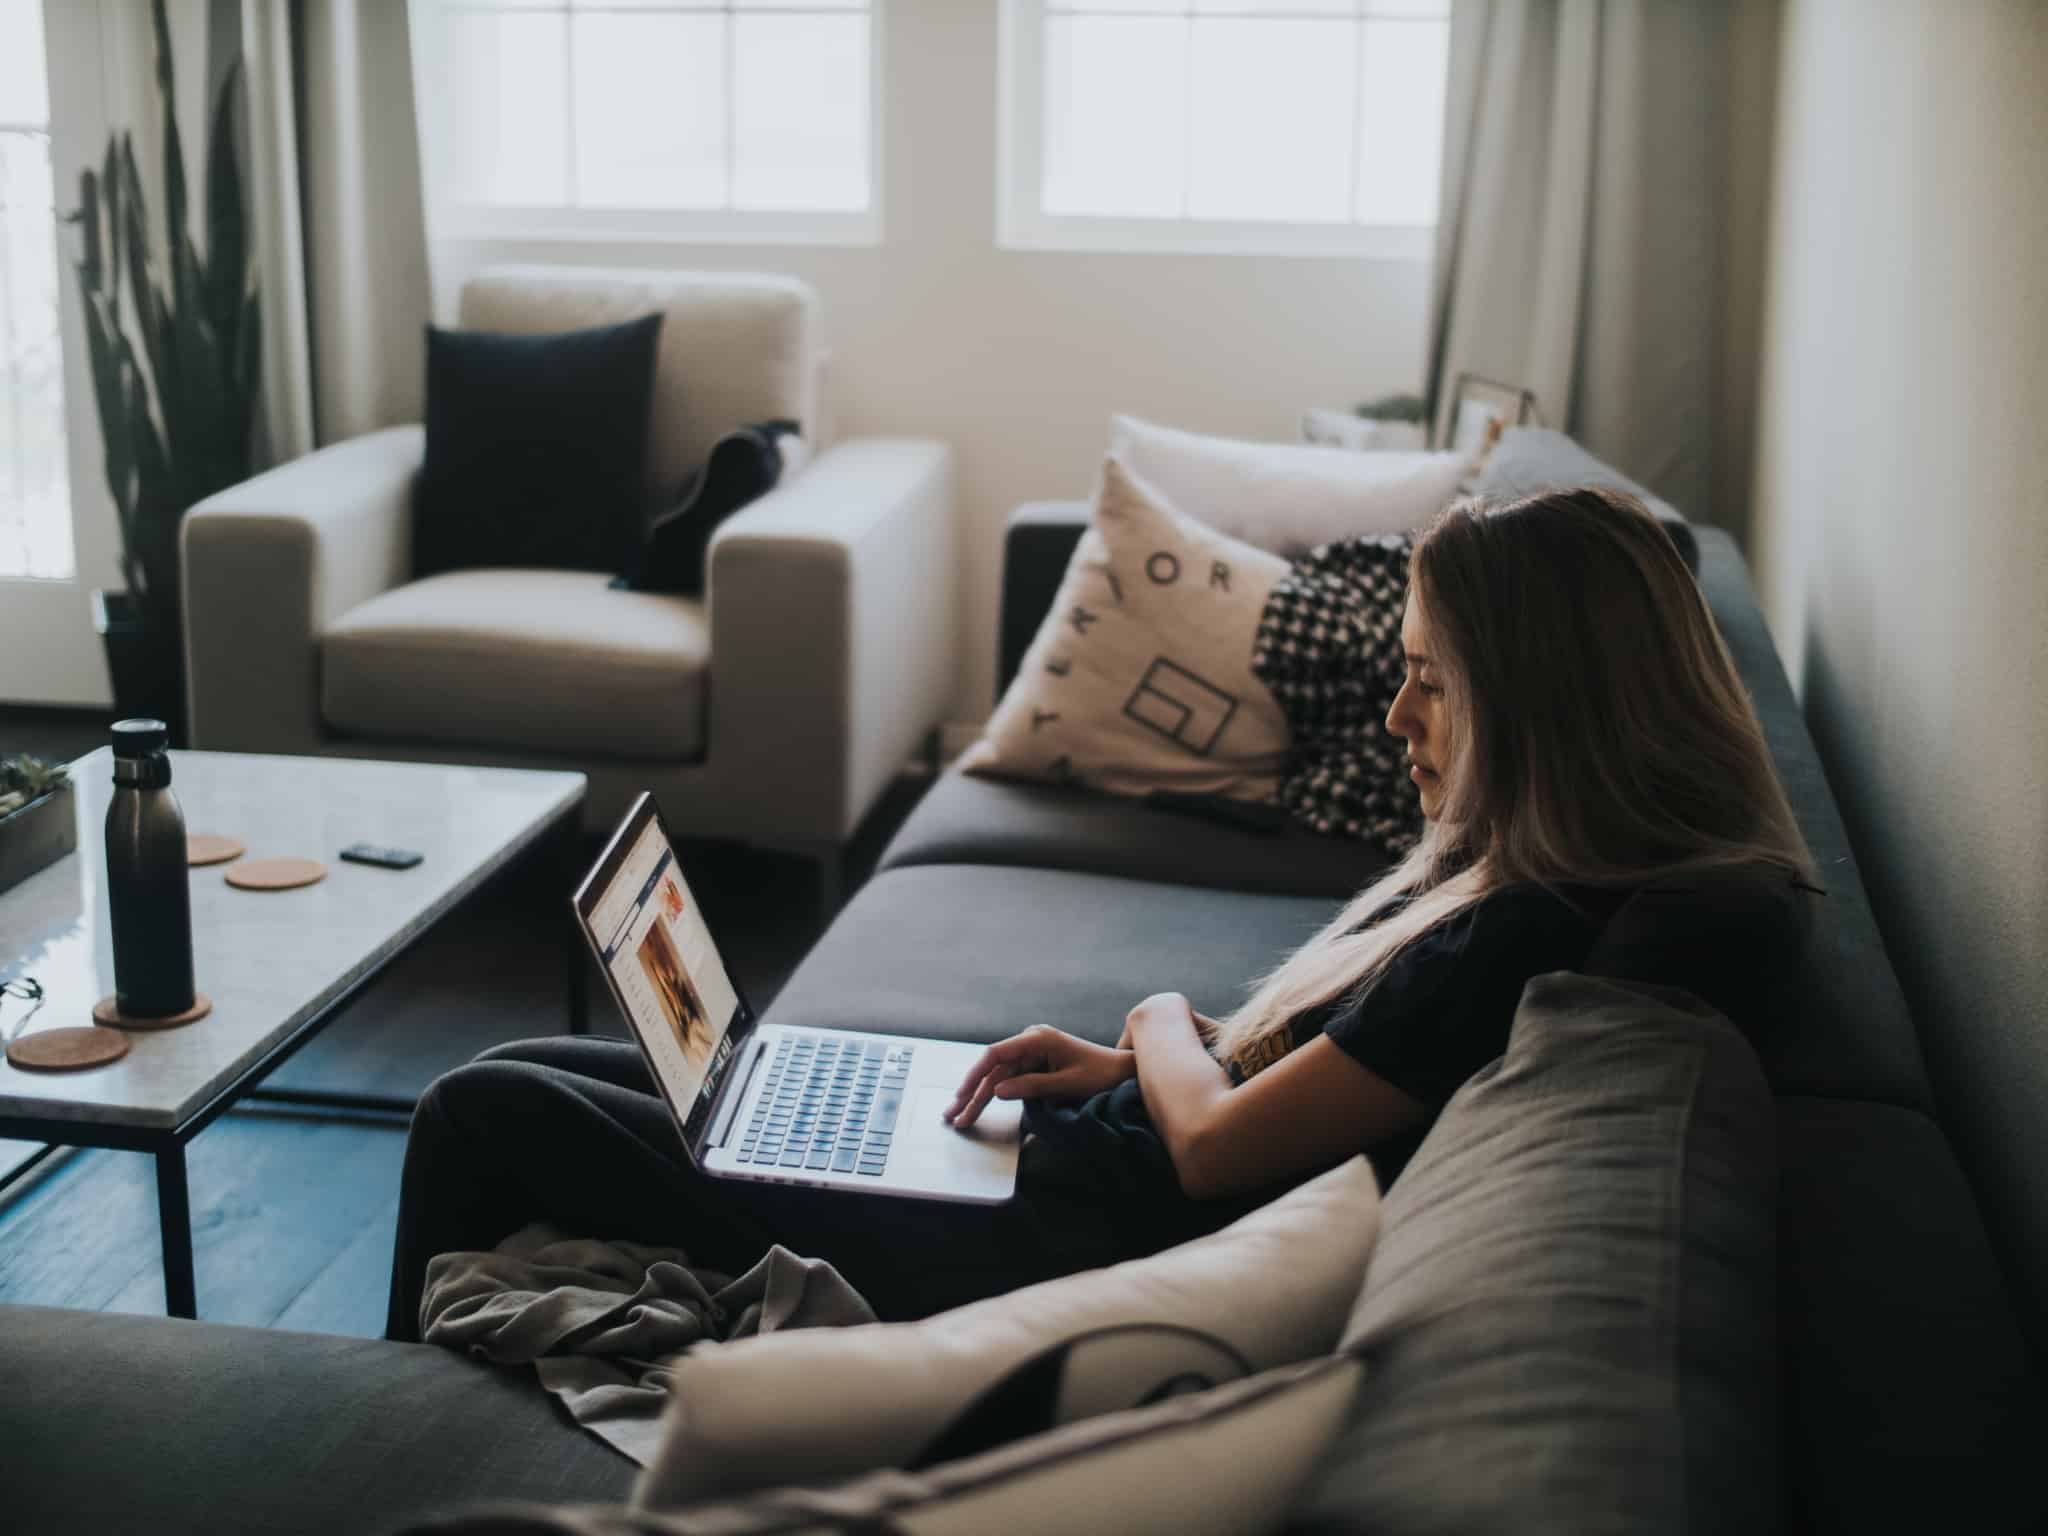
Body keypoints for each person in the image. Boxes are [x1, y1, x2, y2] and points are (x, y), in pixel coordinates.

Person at [385, 486, 1814, 1342]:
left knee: (474, 1110)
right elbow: (1305, 1101)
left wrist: (1154, 1025)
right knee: (606, 1075)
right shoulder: (1545, 891)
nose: (1398, 714)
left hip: (1044, 1240)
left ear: (1544, 706)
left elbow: (1214, 1155)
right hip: (1055, 1172)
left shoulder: (1522, 935)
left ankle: (384, 1429)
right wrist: (1131, 1069)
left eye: (1432, 682)